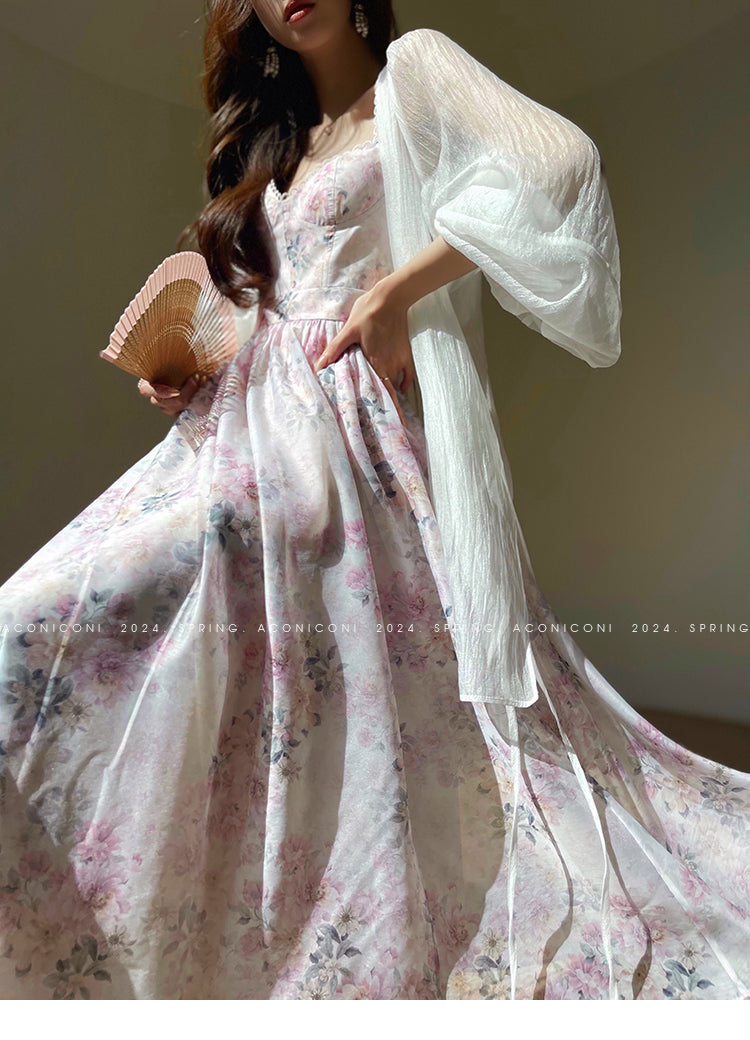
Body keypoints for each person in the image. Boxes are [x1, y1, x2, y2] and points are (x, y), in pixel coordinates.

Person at [0, 0, 748, 1001]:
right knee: (55, 622)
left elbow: (561, 163)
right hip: (238, 430)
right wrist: (185, 372)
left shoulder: (416, 73)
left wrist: (401, 288)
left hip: (346, 439)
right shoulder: (277, 143)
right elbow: (261, 306)